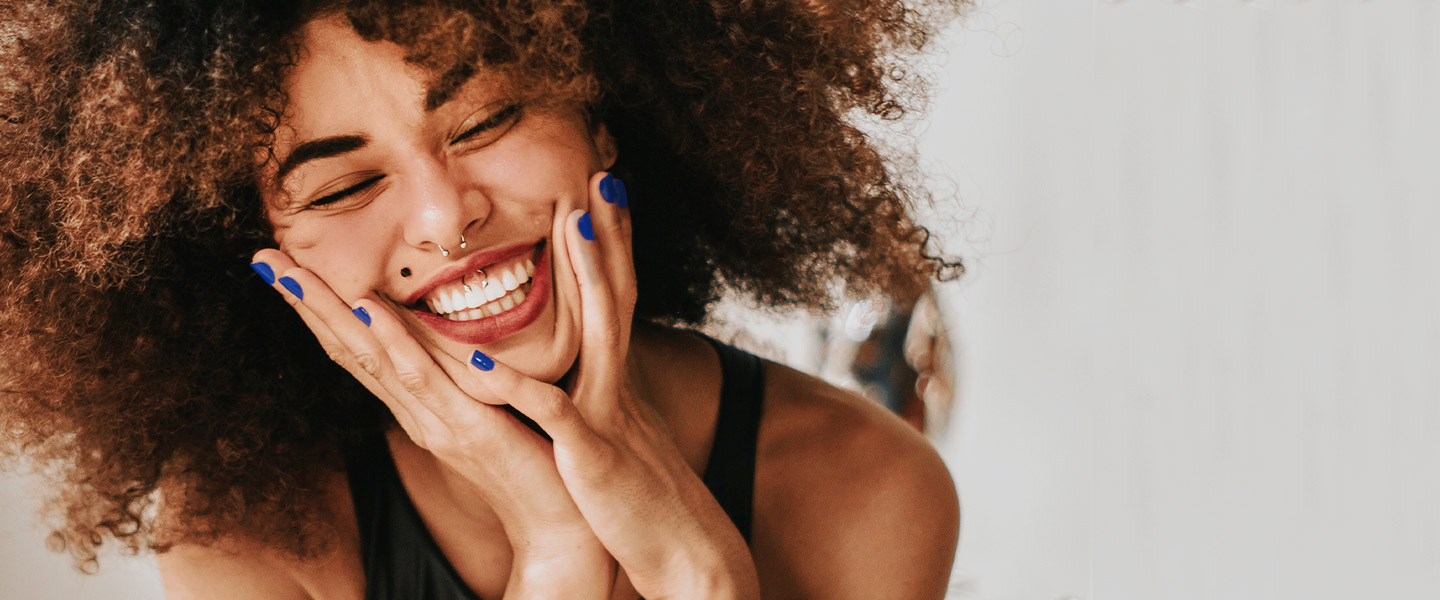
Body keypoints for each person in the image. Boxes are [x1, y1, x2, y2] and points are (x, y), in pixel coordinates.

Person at [0, 1, 965, 598]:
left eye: (489, 118)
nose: (444, 216)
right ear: (262, 256)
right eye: (340, 188)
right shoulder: (251, 536)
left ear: (599, 117)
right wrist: (553, 552)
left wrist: (704, 581)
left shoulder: (868, 488)